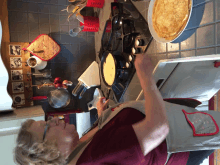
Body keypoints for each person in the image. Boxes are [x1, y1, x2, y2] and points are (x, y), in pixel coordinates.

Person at [14, 52, 215, 165]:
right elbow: (158, 128)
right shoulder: (93, 157)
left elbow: (100, 137)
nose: (54, 120)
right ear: (47, 152)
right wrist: (146, 77)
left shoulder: (75, 153)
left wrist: (103, 117)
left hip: (172, 125)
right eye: (47, 126)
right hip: (179, 140)